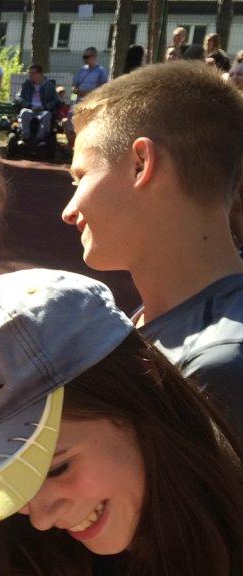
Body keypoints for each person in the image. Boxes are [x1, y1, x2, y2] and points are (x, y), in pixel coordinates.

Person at [0, 268, 243, 576]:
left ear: (137, 395)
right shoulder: (5, 535)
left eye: (56, 469)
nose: (41, 518)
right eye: (5, 485)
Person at [63, 62, 243, 436]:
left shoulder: (215, 365)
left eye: (81, 178)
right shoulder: (171, 313)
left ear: (141, 164)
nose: (69, 210)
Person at [68, 46, 108, 148]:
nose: (85, 59)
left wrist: (87, 94)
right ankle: (71, 144)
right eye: (84, 57)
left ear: (94, 57)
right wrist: (73, 98)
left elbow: (102, 89)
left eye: (87, 57)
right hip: (78, 101)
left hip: (92, 102)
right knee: (70, 115)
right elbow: (74, 86)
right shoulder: (82, 70)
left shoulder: (100, 71)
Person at [15, 63, 58, 146]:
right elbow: (18, 97)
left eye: (32, 73)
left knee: (47, 115)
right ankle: (25, 137)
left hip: (43, 110)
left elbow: (55, 100)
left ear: (40, 74)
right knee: (24, 112)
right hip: (30, 108)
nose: (30, 75)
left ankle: (40, 138)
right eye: (29, 73)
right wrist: (29, 106)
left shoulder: (50, 86)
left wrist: (44, 107)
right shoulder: (27, 84)